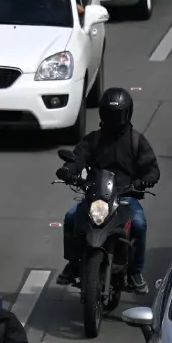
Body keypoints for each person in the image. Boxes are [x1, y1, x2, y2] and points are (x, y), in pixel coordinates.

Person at [57, 87, 160, 295]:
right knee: (70, 218)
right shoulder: (93, 139)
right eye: (110, 114)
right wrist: (69, 170)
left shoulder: (136, 141)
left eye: (118, 114)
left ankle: (135, 272)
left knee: (139, 225)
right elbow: (78, 159)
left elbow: (152, 169)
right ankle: (73, 264)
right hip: (96, 196)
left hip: (125, 198)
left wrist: (144, 181)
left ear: (127, 113)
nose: (114, 119)